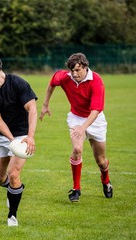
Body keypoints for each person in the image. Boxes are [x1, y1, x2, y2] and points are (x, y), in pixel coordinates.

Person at [39, 53, 113, 202]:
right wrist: (45, 104)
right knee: (77, 150)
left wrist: (83, 127)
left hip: (95, 119)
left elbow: (96, 110)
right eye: (72, 71)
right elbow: (52, 82)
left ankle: (106, 181)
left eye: (78, 70)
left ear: (85, 67)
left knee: (101, 160)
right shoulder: (65, 77)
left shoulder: (96, 81)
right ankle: (76, 189)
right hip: (76, 117)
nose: (74, 74)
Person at [0, 53, 38, 226]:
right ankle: (16, 189)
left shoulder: (18, 83)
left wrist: (29, 137)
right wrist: (11, 140)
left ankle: (12, 216)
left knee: (13, 174)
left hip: (21, 135)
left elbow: (32, 109)